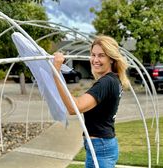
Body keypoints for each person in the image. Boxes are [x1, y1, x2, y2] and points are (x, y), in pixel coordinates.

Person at [53, 35, 129, 168]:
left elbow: (74, 107)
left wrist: (56, 72)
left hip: (101, 148)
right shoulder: (113, 80)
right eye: (93, 55)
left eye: (101, 55)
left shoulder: (106, 82)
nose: (95, 60)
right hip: (100, 145)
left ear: (111, 58)